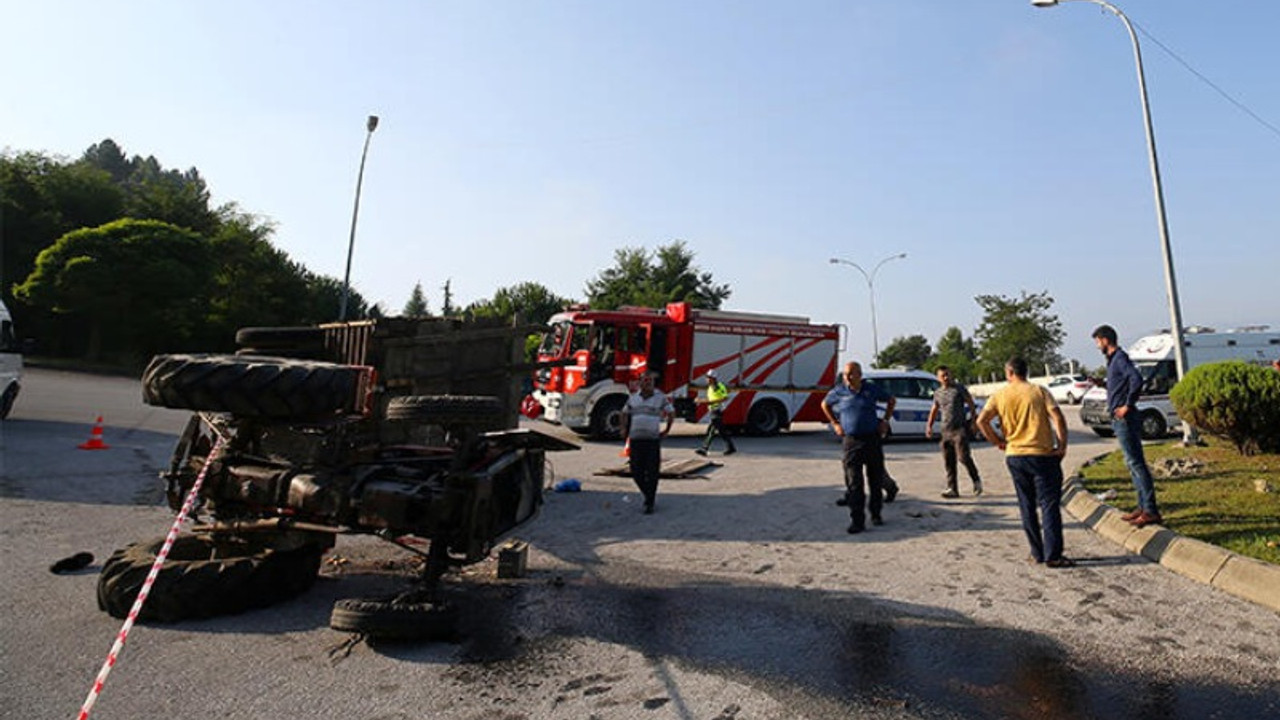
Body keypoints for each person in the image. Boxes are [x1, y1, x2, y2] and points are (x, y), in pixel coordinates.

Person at [977, 356, 1073, 568]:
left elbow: (981, 421)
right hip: (1042, 454)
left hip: (1015, 455)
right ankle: (1053, 555)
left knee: (1026, 505)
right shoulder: (1039, 391)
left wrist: (998, 442)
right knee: (1049, 505)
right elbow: (1057, 417)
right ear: (1026, 372)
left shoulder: (999, 395)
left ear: (1009, 373)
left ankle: (1036, 552)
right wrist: (1062, 445)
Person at [1092, 324, 1162, 528]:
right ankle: (1142, 507)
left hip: (1125, 418)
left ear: (1106, 340)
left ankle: (1150, 510)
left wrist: (1127, 405)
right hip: (1119, 418)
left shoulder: (1120, 358)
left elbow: (1136, 380)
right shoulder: (1113, 361)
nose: (1097, 346)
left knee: (1137, 463)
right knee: (1132, 464)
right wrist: (1103, 384)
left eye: (1098, 341)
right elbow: (1121, 383)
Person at [822, 361, 895, 534]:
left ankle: (876, 513)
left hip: (872, 440)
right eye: (845, 374)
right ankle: (857, 520)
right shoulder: (839, 391)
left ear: (859, 375)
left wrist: (885, 421)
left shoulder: (871, 389)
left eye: (851, 374)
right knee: (855, 483)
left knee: (875, 480)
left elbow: (891, 400)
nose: (847, 377)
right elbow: (825, 404)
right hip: (851, 441)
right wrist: (835, 423)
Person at [926, 365, 983, 499]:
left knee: (963, 457)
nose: (946, 377)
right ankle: (952, 488)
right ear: (938, 378)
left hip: (959, 429)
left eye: (947, 374)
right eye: (943, 376)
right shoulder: (938, 393)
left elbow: (970, 403)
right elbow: (934, 409)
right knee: (949, 461)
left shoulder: (959, 389)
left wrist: (974, 421)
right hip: (945, 430)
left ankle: (976, 480)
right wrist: (929, 426)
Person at [620, 371, 674, 514]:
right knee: (636, 471)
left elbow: (671, 413)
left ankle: (649, 501)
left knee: (652, 471)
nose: (647, 384)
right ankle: (647, 494)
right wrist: (623, 428)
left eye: (650, 381)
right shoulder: (633, 398)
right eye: (645, 381)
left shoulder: (660, 397)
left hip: (652, 440)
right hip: (636, 440)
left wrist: (667, 430)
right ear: (640, 383)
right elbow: (624, 413)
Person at [695, 369, 737, 456]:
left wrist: (708, 402)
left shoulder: (718, 386)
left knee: (711, 430)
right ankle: (731, 448)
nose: (707, 379)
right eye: (707, 377)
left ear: (713, 378)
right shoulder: (710, 387)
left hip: (717, 410)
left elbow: (725, 398)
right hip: (713, 410)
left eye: (709, 378)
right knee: (721, 431)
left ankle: (704, 448)